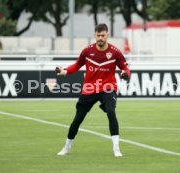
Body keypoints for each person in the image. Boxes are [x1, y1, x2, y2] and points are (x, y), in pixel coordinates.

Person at [55, 23, 130, 157]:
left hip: (108, 87)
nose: (100, 38)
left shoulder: (115, 52)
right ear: (95, 35)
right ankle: (67, 146)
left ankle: (116, 148)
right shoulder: (87, 51)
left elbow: (125, 67)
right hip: (89, 89)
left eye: (103, 35)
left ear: (107, 35)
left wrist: (125, 74)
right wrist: (64, 71)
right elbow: (77, 65)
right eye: (98, 35)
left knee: (111, 112)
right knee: (78, 119)